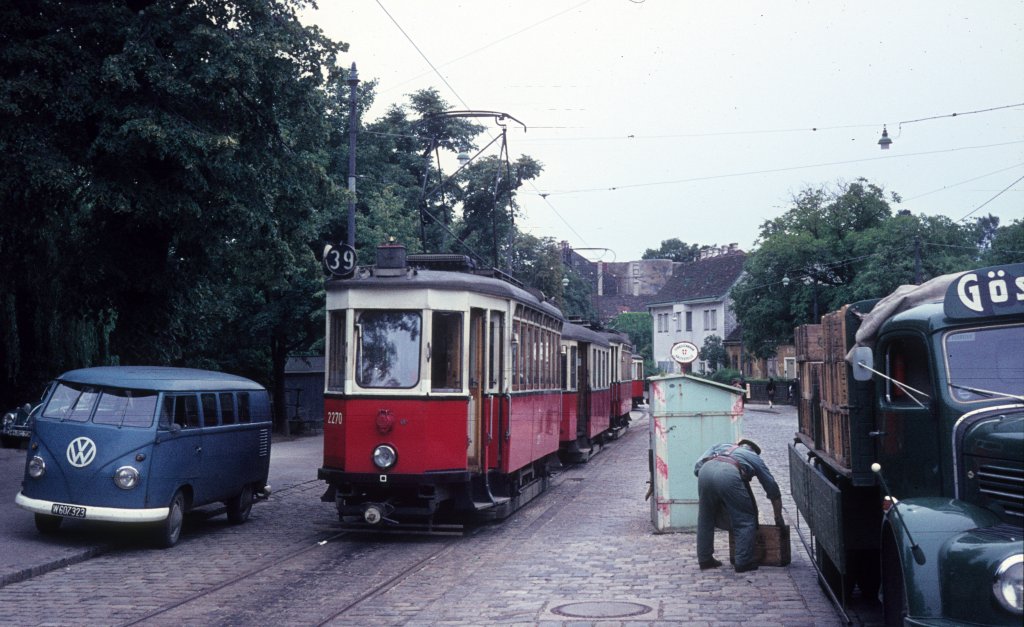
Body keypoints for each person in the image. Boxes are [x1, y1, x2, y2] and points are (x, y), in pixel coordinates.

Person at [693, 438, 784, 573]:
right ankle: (743, 562)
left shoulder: (720, 444)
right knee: (745, 519)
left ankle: (705, 559)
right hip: (728, 474)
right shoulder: (754, 457)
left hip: (705, 471)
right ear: (753, 451)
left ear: (739, 444)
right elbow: (771, 488)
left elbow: (697, 468)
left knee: (705, 517)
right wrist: (778, 516)